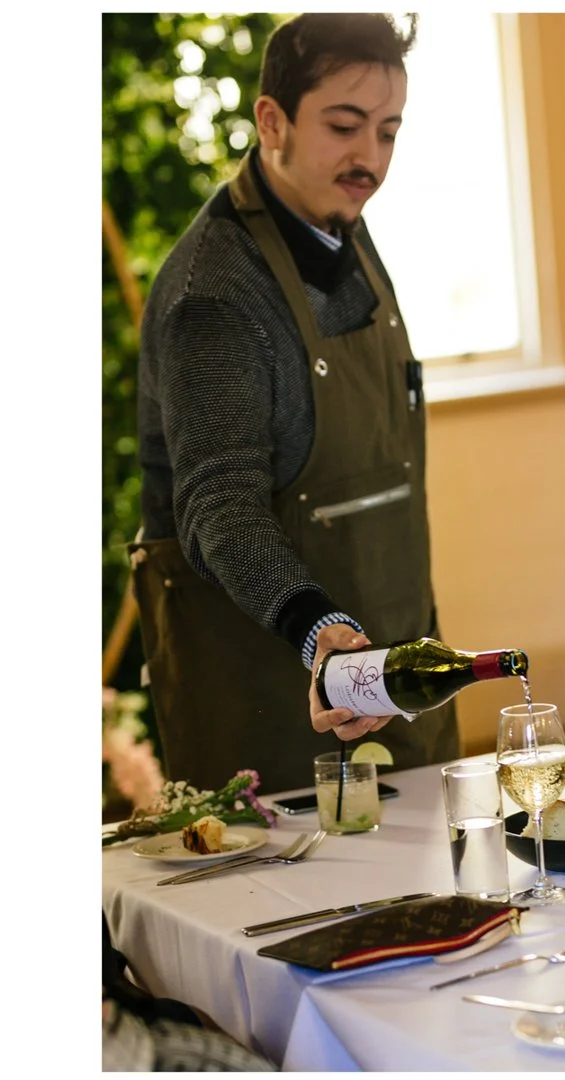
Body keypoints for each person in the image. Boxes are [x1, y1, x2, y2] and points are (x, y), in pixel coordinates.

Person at [131, 13, 456, 796]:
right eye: (344, 127)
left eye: (388, 131)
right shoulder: (214, 294)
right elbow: (220, 509)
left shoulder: (341, 221)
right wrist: (321, 634)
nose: (370, 160)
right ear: (270, 120)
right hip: (274, 722)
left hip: (399, 691)